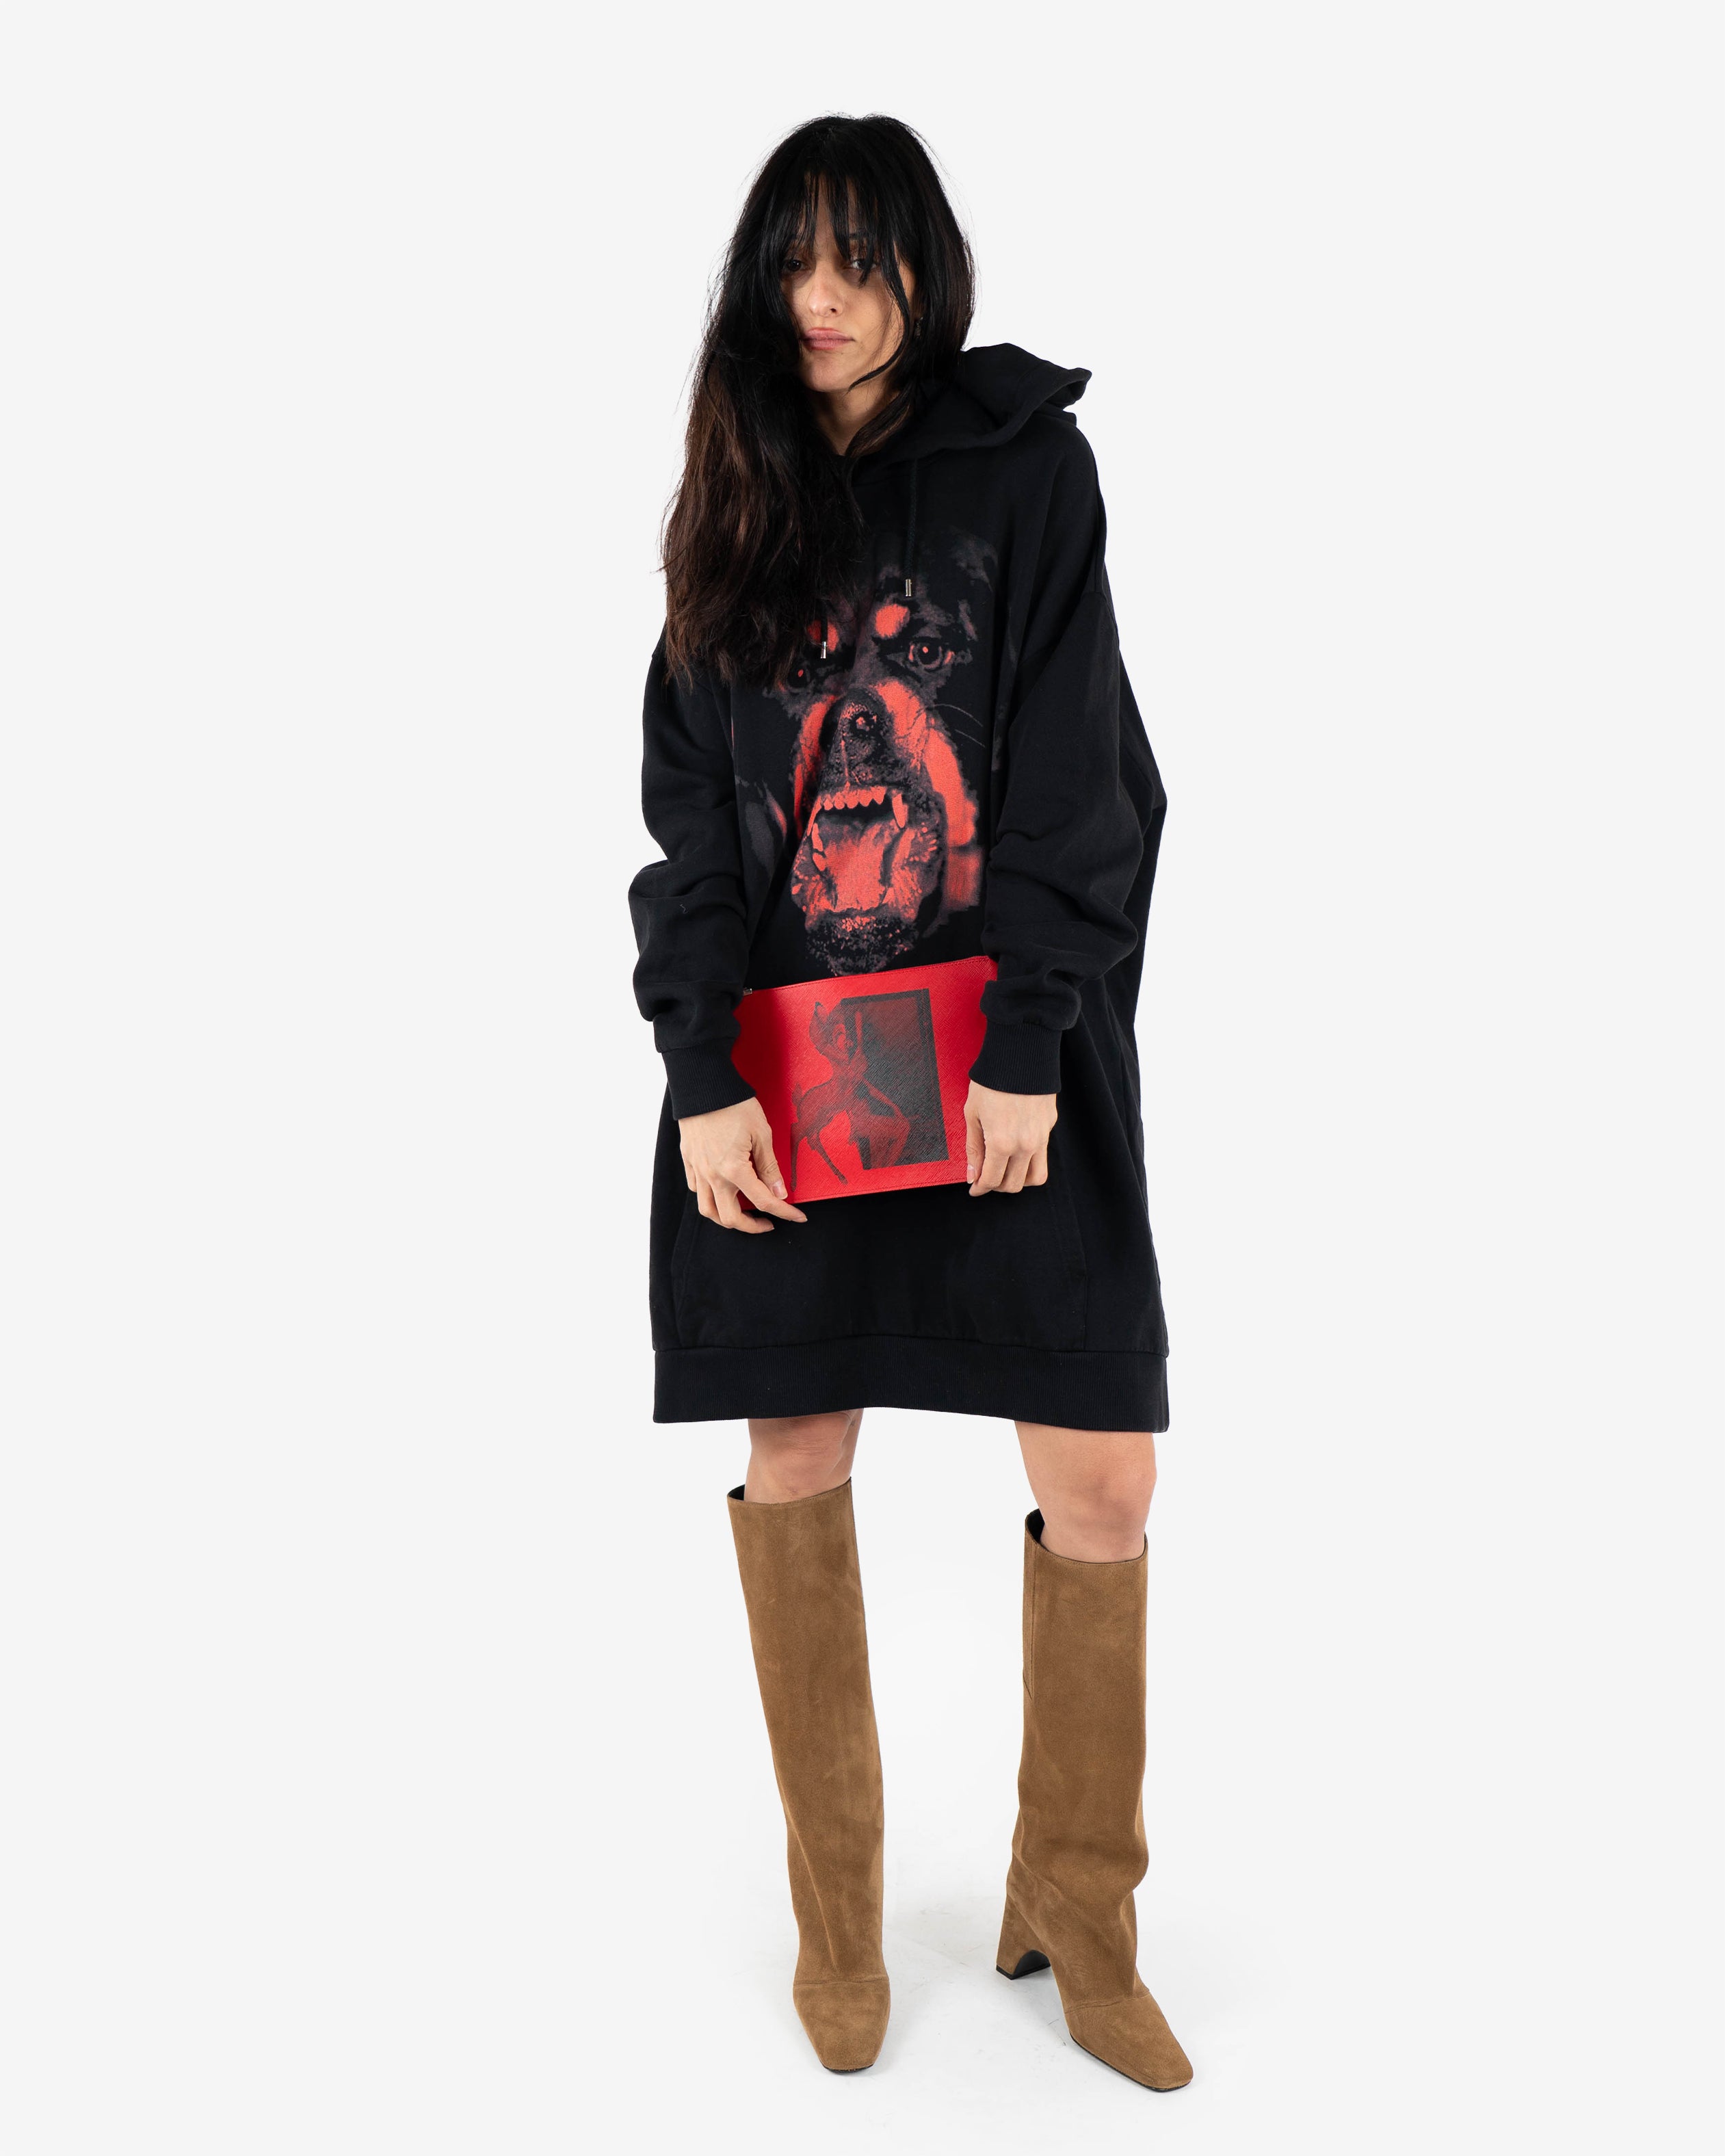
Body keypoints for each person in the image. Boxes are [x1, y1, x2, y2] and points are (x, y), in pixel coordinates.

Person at [629, 114, 1191, 2092]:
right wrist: (702, 1072)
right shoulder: (736, 479)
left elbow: (1079, 771)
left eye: (860, 259)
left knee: (1103, 1480)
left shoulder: (1026, 471)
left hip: (1003, 1060)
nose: (823, 298)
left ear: (922, 268)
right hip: (790, 1077)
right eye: (793, 259)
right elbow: (691, 814)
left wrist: (1029, 1041)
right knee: (797, 1450)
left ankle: (1079, 1921)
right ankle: (840, 1928)